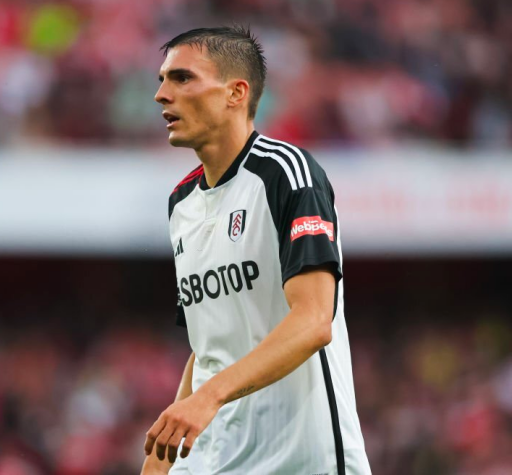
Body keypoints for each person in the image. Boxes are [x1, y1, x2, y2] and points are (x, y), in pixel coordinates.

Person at [141, 26, 372, 475]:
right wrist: (157, 461)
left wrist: (208, 398)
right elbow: (208, 343)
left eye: (182, 78)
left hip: (301, 460)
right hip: (211, 460)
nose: (161, 95)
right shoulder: (181, 203)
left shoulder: (289, 174)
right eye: (162, 80)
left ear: (235, 93)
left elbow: (312, 322)